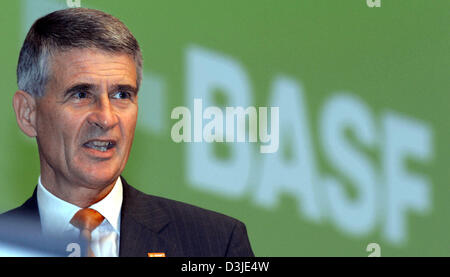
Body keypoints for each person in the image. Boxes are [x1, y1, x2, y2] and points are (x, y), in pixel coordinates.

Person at [0, 7, 254, 257]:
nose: (106, 118)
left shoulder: (216, 244)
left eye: (121, 95)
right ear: (28, 113)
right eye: (81, 94)